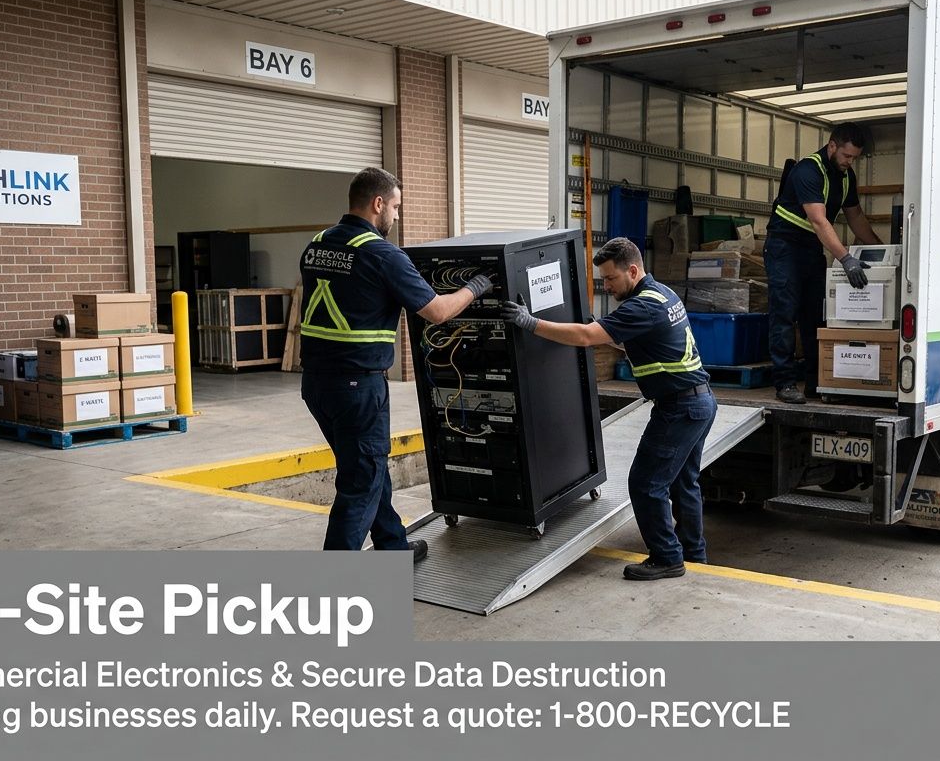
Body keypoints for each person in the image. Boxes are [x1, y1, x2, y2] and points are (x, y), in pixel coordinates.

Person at [299, 167, 491, 558]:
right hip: (358, 387)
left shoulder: (317, 244)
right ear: (378, 203)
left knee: (367, 468)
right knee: (361, 481)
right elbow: (437, 311)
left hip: (317, 384)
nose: (397, 216)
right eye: (396, 207)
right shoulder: (382, 254)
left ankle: (392, 546)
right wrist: (475, 288)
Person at [500, 238, 716, 581]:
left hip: (679, 408)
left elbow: (586, 337)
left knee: (645, 484)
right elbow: (640, 340)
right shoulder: (662, 295)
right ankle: (694, 552)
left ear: (633, 270)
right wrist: (607, 333)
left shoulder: (641, 306)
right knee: (683, 482)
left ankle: (667, 557)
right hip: (699, 401)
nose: (608, 286)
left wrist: (530, 323)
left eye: (611, 279)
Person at [765, 122, 885, 404]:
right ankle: (785, 383)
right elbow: (819, 221)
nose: (849, 161)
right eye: (846, 155)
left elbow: (856, 218)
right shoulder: (808, 170)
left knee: (815, 316)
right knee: (784, 313)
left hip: (809, 247)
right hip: (784, 246)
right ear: (832, 146)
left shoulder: (845, 176)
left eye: (854, 157)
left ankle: (814, 382)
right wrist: (846, 259)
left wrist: (883, 250)